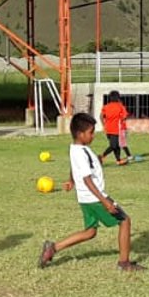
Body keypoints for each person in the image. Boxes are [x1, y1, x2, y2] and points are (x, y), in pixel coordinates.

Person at [40, 111, 140, 271]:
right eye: (91, 132)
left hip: (85, 199)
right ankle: (124, 262)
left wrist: (72, 180)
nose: (93, 136)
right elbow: (87, 179)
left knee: (90, 232)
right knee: (125, 221)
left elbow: (75, 167)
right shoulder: (80, 152)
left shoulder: (76, 148)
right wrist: (105, 201)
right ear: (80, 134)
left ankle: (53, 247)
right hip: (94, 197)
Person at [99, 90, 129, 165]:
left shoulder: (106, 106)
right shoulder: (120, 106)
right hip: (116, 129)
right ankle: (102, 156)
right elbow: (125, 116)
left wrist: (104, 125)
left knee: (116, 145)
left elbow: (101, 116)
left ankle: (118, 160)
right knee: (113, 145)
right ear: (118, 97)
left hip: (108, 129)